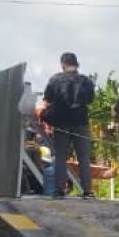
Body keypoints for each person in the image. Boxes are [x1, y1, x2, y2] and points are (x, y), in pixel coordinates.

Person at [42, 52, 96, 199]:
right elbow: (90, 100)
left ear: (63, 65)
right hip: (81, 122)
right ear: (77, 64)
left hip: (61, 123)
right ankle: (87, 191)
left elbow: (47, 100)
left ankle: (59, 190)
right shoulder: (86, 81)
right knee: (84, 158)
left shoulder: (55, 80)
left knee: (60, 157)